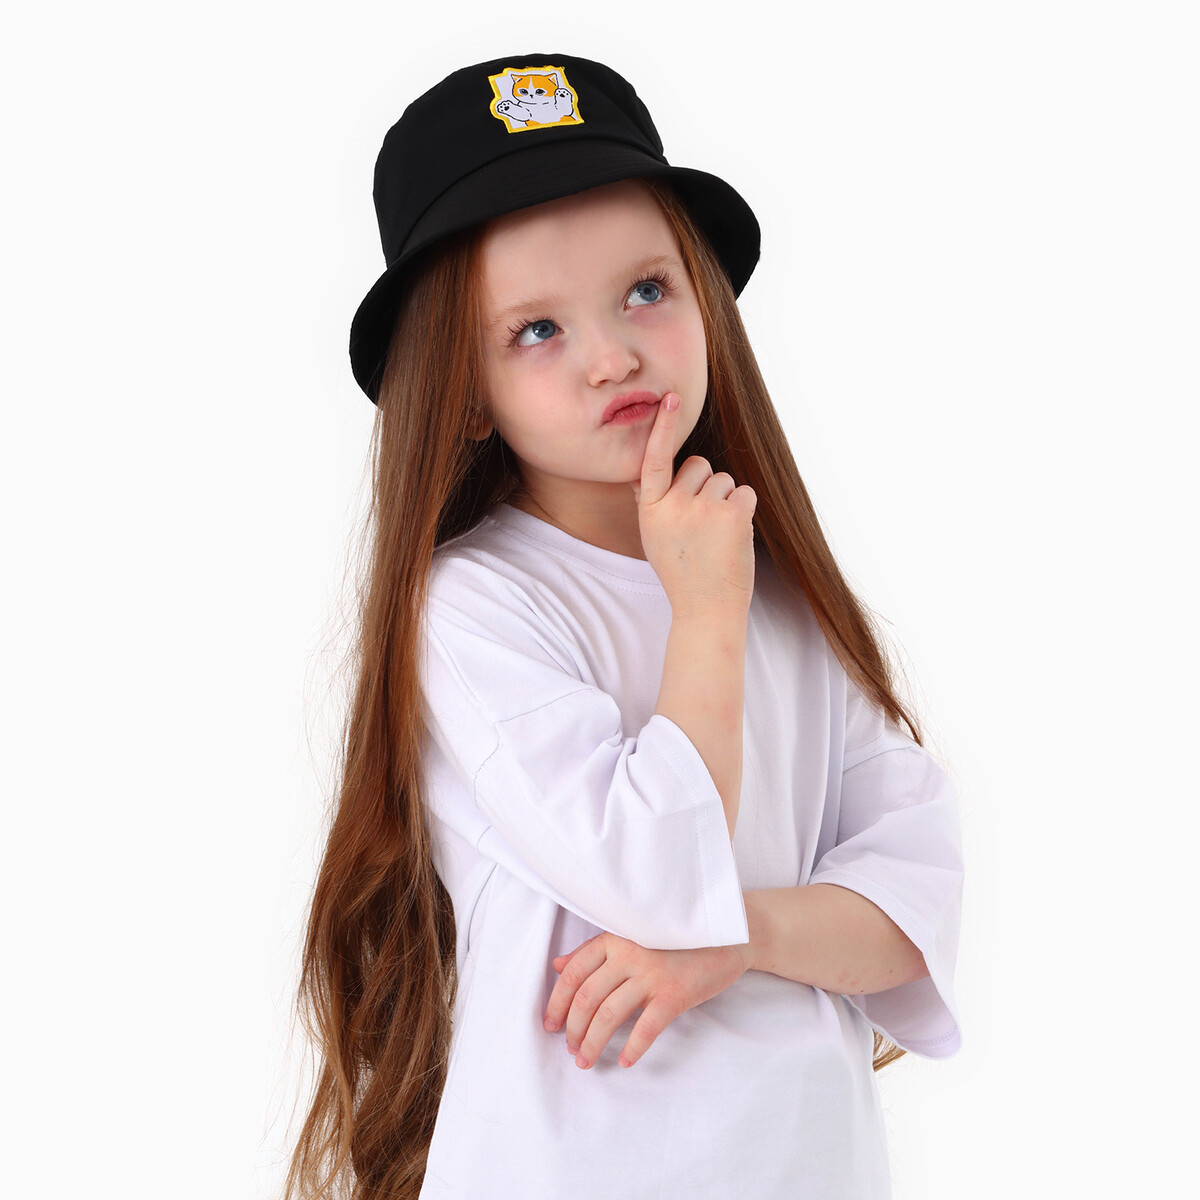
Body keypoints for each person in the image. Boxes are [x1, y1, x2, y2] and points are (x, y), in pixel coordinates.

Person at [285, 52, 964, 1200]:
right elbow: (652, 875)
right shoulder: (479, 605)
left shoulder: (781, 593)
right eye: (535, 331)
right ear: (462, 393)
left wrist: (739, 939)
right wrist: (704, 613)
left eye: (646, 290)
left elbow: (916, 903)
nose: (612, 356)